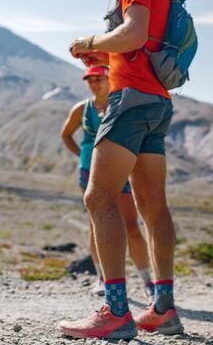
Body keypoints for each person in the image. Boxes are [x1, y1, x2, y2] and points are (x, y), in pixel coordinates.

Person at [59, 0, 184, 339]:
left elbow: (134, 33)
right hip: (157, 101)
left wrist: (90, 40)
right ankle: (164, 309)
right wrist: (103, 54)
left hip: (130, 101)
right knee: (153, 206)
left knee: (98, 197)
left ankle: (115, 312)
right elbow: (138, 44)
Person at [61, 65, 154, 298]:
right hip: (89, 172)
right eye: (89, 79)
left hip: (119, 171)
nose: (94, 83)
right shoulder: (81, 109)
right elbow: (66, 134)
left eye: (98, 78)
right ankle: (102, 278)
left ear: (109, 79)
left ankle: (147, 280)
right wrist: (83, 156)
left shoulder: (119, 105)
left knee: (131, 223)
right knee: (96, 224)